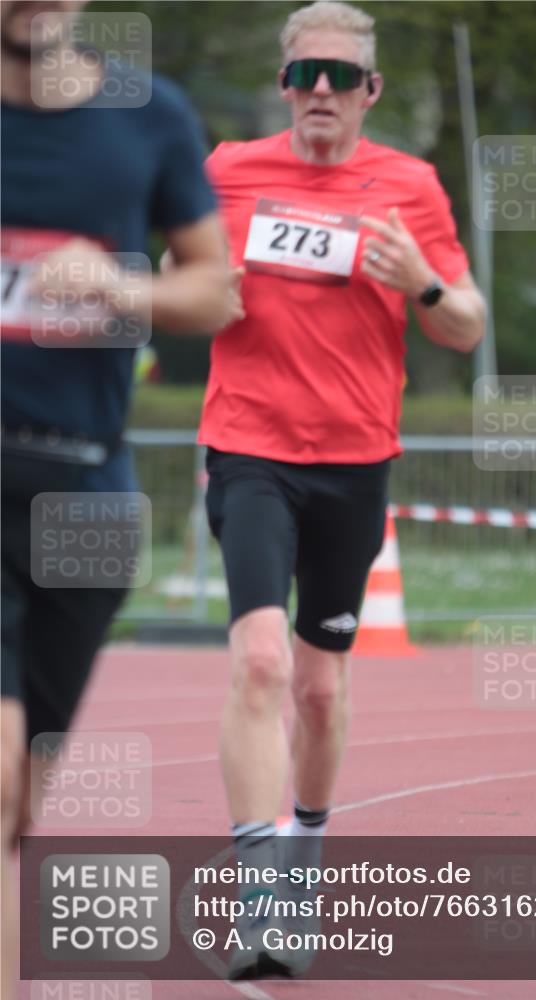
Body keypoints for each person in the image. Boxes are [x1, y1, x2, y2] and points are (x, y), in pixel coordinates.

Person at [200, 0, 485, 978]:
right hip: (248, 449)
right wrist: (203, 286)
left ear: (370, 90)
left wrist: (423, 282)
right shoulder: (228, 170)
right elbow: (174, 276)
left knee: (320, 688)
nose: (318, 90)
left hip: (356, 462)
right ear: (282, 83)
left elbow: (468, 326)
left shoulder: (409, 185)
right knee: (261, 664)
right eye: (301, 73)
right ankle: (258, 897)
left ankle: (307, 855)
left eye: (338, 74)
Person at [0, 2, 241, 995]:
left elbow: (216, 290)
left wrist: (120, 287)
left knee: (21, 807)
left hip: (88, 493)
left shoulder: (151, 116)